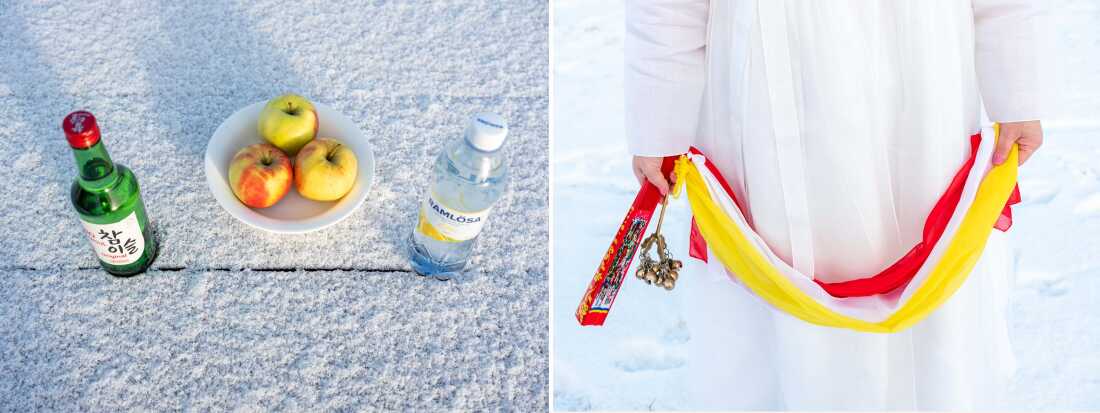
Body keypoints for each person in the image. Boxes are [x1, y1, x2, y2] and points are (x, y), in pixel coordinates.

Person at [624, 1, 1044, 410]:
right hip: (771, 86)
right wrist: (660, 124)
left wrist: (1017, 91)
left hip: (920, 81)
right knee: (786, 248)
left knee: (920, 239)